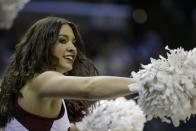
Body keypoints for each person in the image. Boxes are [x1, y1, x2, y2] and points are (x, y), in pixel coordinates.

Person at [0, 17, 137, 131]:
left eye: (74, 42)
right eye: (62, 40)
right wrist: (142, 82)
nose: (72, 48)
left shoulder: (45, 87)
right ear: (42, 45)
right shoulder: (41, 79)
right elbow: (88, 87)